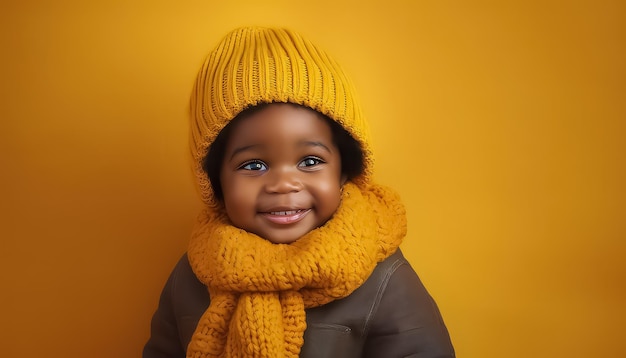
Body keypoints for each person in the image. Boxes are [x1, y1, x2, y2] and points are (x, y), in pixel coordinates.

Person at [143, 26, 455, 358]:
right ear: (216, 181)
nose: (283, 184)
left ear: (343, 171)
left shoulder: (382, 278)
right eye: (254, 165)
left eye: (309, 160)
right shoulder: (195, 272)